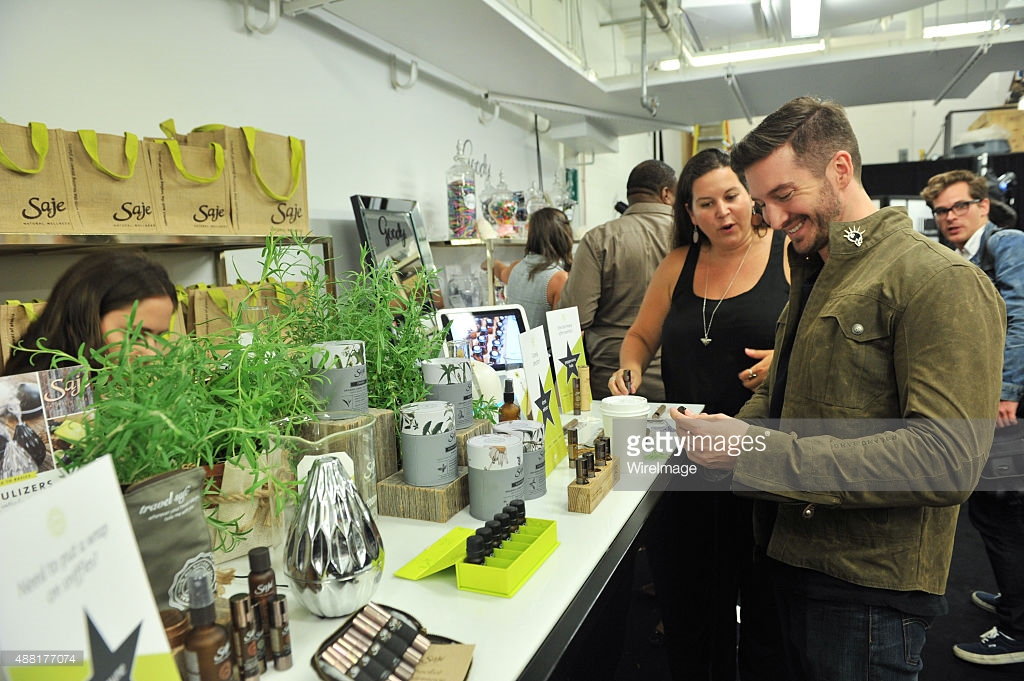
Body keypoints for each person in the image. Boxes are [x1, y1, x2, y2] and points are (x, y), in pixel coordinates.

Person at [673, 96, 1006, 681]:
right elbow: (789, 393)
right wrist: (730, 432)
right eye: (763, 203)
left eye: (784, 196)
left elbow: (947, 460)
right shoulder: (819, 272)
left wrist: (752, 451)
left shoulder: (939, 280)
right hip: (786, 563)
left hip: (865, 592)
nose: (773, 219)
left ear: (841, 169)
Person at [612, 147, 790, 680]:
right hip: (684, 460)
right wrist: (630, 367)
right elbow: (640, 336)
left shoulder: (786, 252)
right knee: (688, 603)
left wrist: (784, 359)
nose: (723, 213)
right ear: (689, 213)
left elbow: (818, 341)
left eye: (732, 197)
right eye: (706, 204)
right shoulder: (677, 264)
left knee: (765, 610)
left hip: (758, 456)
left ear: (750, 196)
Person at [920, 169, 1024, 665]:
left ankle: (1017, 629)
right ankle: (1016, 599)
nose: (949, 217)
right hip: (992, 403)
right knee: (1000, 512)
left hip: (1010, 406)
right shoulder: (961, 258)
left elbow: (1020, 314)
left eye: (959, 206)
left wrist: (1006, 393)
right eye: (941, 211)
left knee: (1000, 511)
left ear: (983, 205)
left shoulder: (1006, 243)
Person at [559, 159, 676, 401]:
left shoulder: (598, 239)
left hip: (612, 381)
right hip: (674, 377)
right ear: (666, 193)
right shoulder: (689, 237)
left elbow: (575, 316)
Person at [3, 250, 177, 375]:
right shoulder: (30, 396)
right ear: (83, 320)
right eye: (134, 335)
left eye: (159, 337)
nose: (152, 355)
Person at [488, 207, 573, 339]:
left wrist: (491, 263)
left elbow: (501, 272)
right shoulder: (559, 279)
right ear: (564, 235)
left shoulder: (516, 268)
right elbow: (565, 337)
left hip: (516, 352)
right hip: (545, 356)